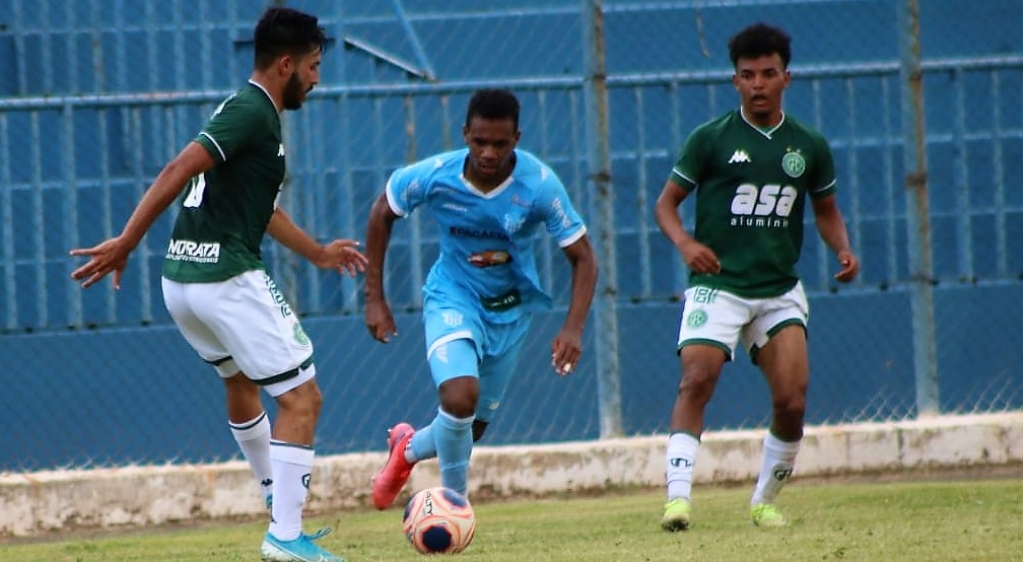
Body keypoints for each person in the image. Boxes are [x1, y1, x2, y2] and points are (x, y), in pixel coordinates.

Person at [69, 7, 365, 562]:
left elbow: (265, 212)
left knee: (240, 384)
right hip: (225, 277)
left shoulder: (251, 112)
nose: (318, 78)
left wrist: (319, 253)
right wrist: (128, 239)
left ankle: (278, 502)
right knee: (303, 397)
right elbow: (178, 167)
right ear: (286, 65)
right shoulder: (253, 111)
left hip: (183, 281)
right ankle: (284, 536)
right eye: (314, 66)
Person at [654, 22, 859, 531]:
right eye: (748, 75)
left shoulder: (807, 145)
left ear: (786, 78)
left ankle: (765, 501)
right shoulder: (711, 140)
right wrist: (686, 243)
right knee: (697, 378)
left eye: (768, 74)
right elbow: (666, 205)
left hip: (777, 290)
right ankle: (677, 502)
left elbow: (826, 209)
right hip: (718, 286)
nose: (759, 84)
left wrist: (844, 248)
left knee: (791, 402)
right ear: (735, 81)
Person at [363, 88, 598, 510]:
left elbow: (583, 257)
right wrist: (374, 298)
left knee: (468, 428)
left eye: (500, 143)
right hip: (452, 297)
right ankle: (455, 506)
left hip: (509, 312)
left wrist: (573, 327)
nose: (488, 152)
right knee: (458, 397)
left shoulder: (540, 185)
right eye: (480, 142)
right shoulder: (437, 174)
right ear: (465, 134)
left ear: (517, 138)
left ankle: (408, 449)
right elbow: (384, 209)